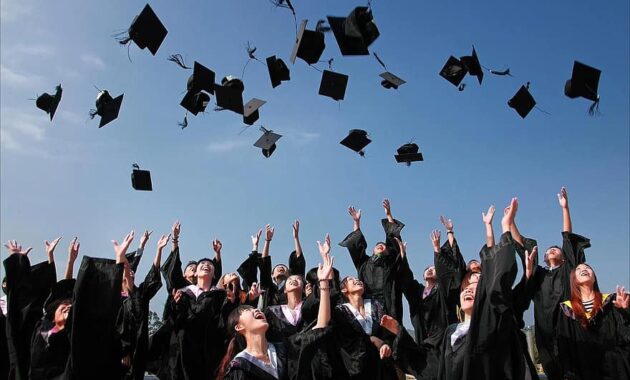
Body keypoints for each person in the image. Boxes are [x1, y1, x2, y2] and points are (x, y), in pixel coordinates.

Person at [383, 198, 538, 380]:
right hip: (431, 342)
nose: (470, 289)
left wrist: (501, 228)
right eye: (466, 286)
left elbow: (496, 273)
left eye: (477, 281)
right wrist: (400, 332)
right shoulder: (453, 333)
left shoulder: (493, 316)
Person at [217, 242, 335, 380]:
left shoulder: (284, 349)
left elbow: (320, 326)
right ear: (239, 326)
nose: (256, 310)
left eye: (254, 308)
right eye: (247, 310)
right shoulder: (239, 368)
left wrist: (324, 282)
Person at [517, 187, 591, 380]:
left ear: (564, 257)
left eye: (555, 250)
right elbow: (522, 248)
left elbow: (567, 238)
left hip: (569, 326)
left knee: (575, 370)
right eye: (549, 250)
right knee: (553, 372)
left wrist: (565, 208)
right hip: (544, 329)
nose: (552, 251)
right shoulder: (539, 274)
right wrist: (511, 222)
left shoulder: (568, 271)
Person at [555, 264, 630, 380]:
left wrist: (624, 311)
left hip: (614, 368)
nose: (584, 269)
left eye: (587, 268)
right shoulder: (567, 309)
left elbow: (625, 336)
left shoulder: (611, 302)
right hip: (582, 369)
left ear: (594, 277)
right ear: (573, 280)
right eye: (578, 269)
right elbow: (564, 344)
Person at [339, 199, 406, 322]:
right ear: (373, 250)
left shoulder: (391, 262)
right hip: (368, 306)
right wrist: (356, 222)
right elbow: (357, 244)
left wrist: (389, 215)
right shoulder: (364, 263)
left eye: (383, 245)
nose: (380, 245)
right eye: (377, 245)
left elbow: (394, 240)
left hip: (389, 305)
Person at [4, 238, 58, 379]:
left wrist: (50, 258)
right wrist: (18, 262)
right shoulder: (14, 318)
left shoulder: (43, 322)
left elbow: (52, 294)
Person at [117, 232, 169, 380]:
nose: (132, 272)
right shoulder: (114, 297)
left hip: (139, 349)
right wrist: (123, 350)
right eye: (128, 269)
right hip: (119, 352)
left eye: (133, 271)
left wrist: (159, 250)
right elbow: (115, 326)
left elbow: (153, 273)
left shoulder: (141, 294)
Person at [29, 237, 80, 380]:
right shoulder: (41, 325)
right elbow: (63, 288)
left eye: (71, 307)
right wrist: (70, 260)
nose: (67, 307)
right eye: (64, 305)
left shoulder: (71, 334)